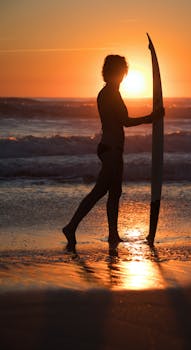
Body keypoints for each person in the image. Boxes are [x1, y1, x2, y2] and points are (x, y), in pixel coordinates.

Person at [63, 54, 163, 252]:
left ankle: (112, 234)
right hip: (111, 149)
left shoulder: (110, 92)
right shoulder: (110, 93)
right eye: (120, 71)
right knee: (101, 191)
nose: (122, 75)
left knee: (114, 193)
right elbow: (124, 121)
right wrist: (151, 118)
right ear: (114, 72)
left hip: (112, 148)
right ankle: (71, 227)